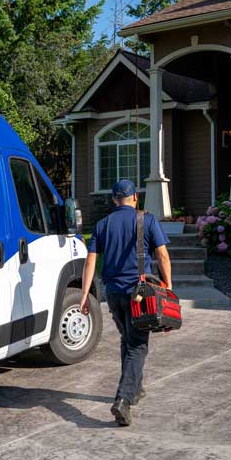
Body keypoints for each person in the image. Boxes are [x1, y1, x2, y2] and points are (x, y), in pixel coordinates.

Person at [79, 179, 172, 427]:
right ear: (135, 198)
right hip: (139, 290)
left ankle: (135, 388)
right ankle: (123, 400)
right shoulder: (147, 220)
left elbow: (90, 262)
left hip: (114, 292)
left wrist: (85, 295)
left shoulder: (102, 225)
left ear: (113, 200)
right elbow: (162, 254)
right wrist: (169, 286)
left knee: (127, 339)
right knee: (138, 345)